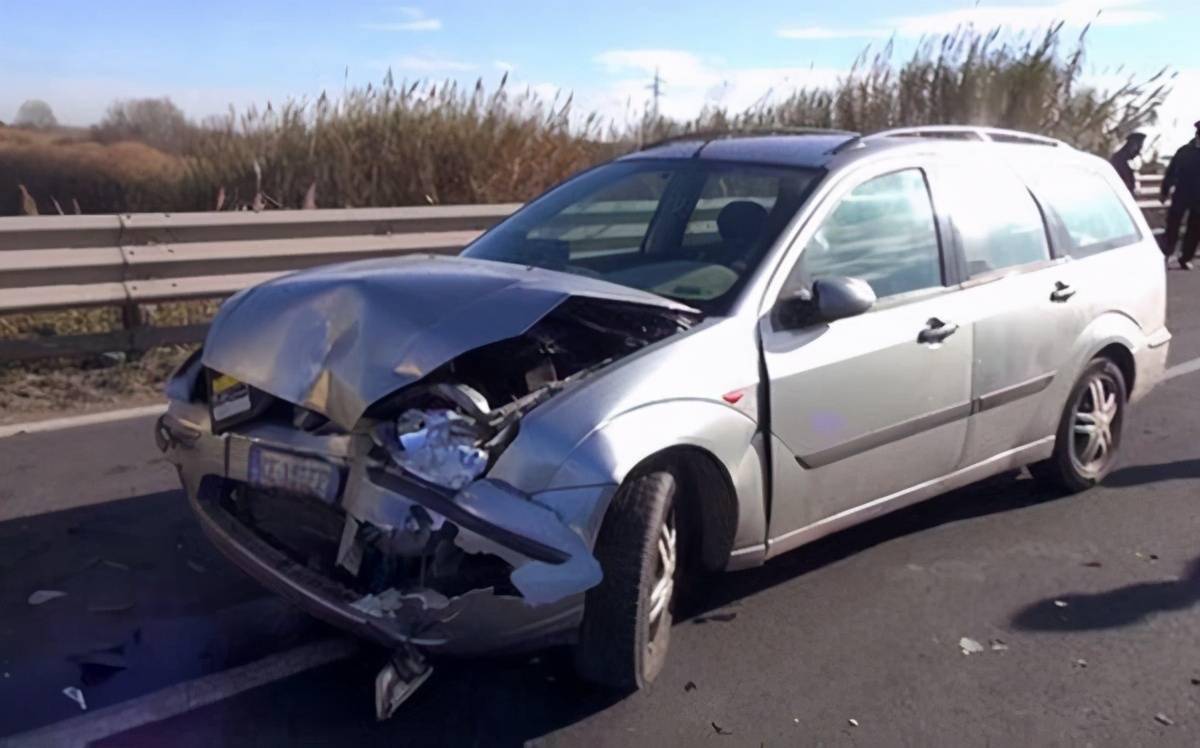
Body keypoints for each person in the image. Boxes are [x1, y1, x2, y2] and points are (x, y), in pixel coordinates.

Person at [1162, 120, 1200, 270]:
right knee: (1173, 226)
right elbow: (1171, 172)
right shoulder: (1184, 151)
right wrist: (1165, 191)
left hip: (1198, 199)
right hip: (1182, 194)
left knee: (1195, 229)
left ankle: (1185, 258)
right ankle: (1166, 254)